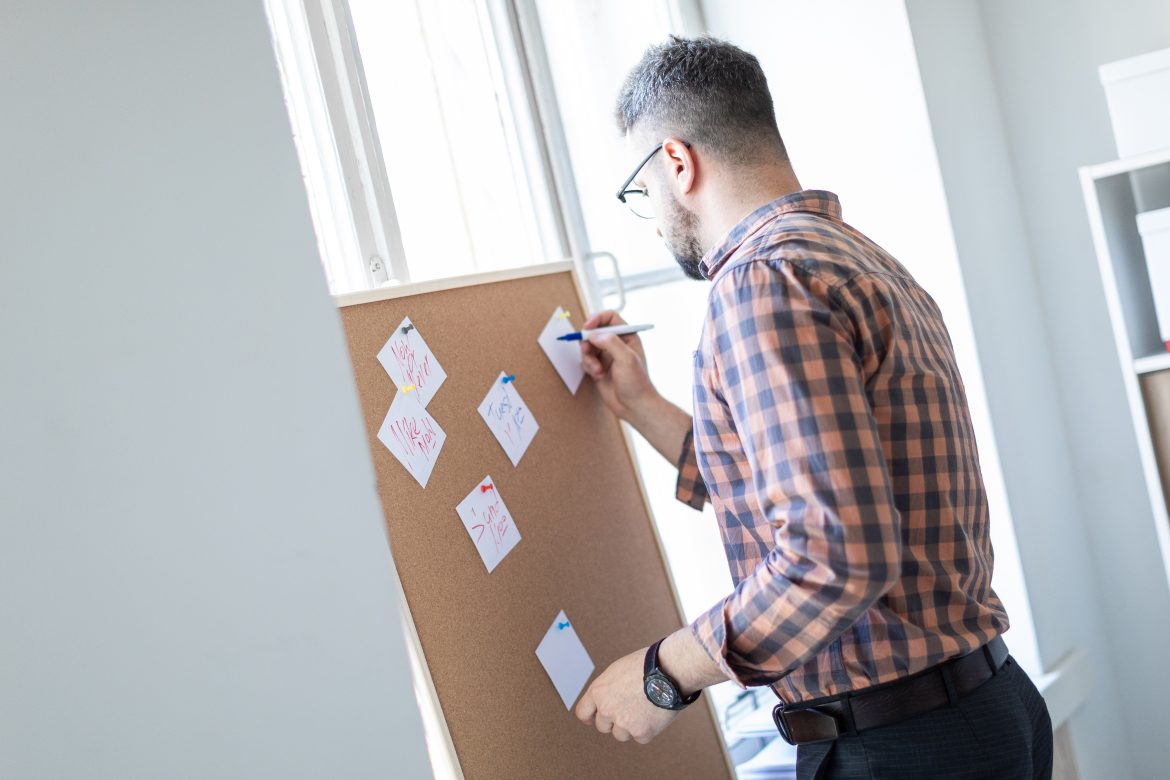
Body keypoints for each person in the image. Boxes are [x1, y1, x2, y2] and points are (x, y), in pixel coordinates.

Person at [572, 35, 1053, 780]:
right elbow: (805, 478)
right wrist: (640, 405)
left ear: (676, 162)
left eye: (642, 191)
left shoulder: (761, 282)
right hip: (981, 709)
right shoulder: (857, 259)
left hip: (900, 747)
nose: (655, 218)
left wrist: (664, 672)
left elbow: (834, 552)